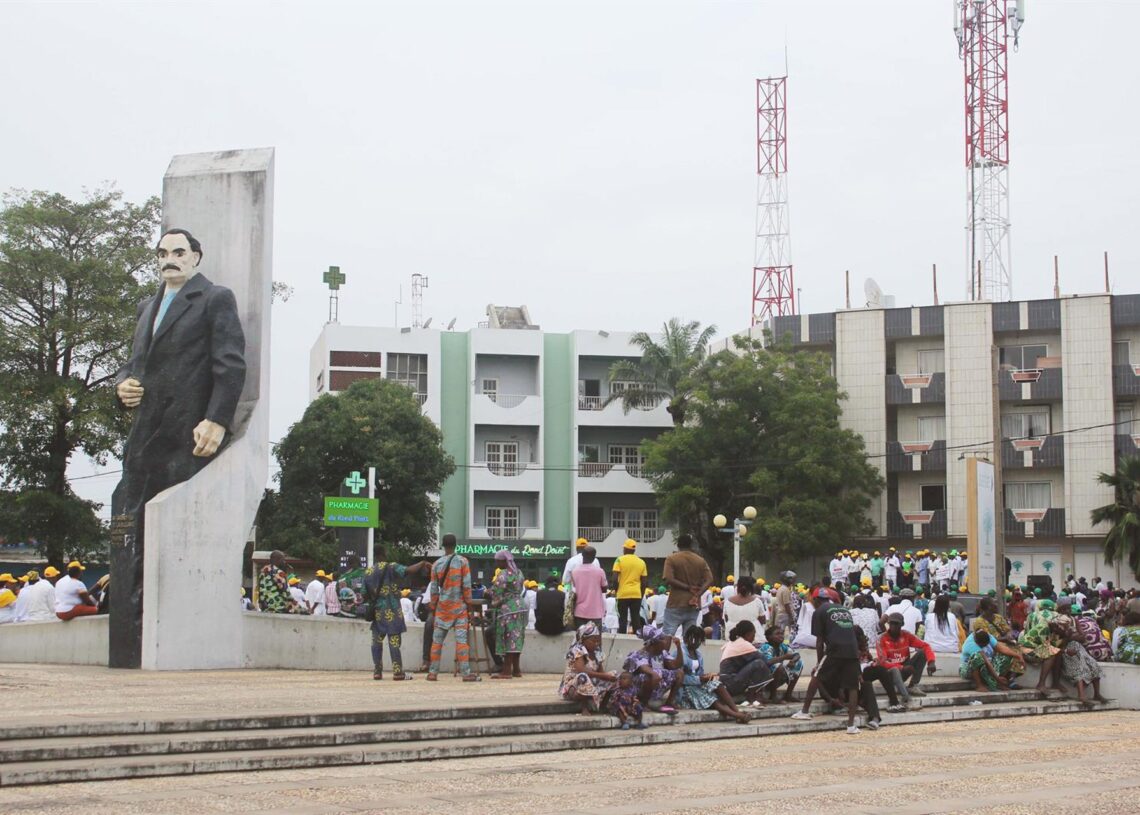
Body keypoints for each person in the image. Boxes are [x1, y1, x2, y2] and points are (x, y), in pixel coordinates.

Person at [110, 229, 246, 665]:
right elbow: (135, 364)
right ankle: (130, 629)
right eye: (163, 253)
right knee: (129, 524)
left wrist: (218, 419)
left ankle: (173, 634)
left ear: (196, 257)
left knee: (172, 529)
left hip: (188, 433)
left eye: (179, 252)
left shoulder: (214, 299)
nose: (170, 259)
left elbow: (230, 362)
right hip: (143, 436)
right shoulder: (145, 307)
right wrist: (122, 385)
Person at [791, 589, 862, 734]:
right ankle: (851, 725)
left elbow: (819, 641)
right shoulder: (844, 609)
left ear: (816, 600)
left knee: (816, 676)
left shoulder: (819, 611)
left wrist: (819, 662)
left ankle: (804, 711)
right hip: (852, 650)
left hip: (835, 649)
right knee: (853, 686)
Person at [363, 551, 432, 680]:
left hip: (377, 613)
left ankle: (377, 671)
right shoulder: (391, 567)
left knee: (376, 642)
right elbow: (409, 570)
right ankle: (397, 672)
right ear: (384, 556)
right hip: (392, 611)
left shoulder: (368, 572)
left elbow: (363, 594)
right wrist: (422, 563)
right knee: (394, 642)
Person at [426, 533, 478, 682]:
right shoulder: (463, 562)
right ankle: (466, 673)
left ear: (443, 546)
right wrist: (469, 605)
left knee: (437, 642)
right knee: (461, 641)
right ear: (456, 545)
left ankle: (433, 672)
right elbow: (467, 586)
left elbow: (434, 590)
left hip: (442, 609)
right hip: (460, 609)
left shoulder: (436, 565)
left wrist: (434, 606)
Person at [677, 626, 752, 723]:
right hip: (687, 689)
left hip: (698, 684)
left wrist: (707, 677)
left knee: (718, 685)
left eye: (699, 640)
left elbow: (700, 673)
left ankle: (736, 711)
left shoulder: (698, 654)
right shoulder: (680, 654)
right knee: (711, 699)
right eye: (694, 639)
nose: (696, 642)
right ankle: (738, 715)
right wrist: (699, 679)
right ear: (686, 638)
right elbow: (680, 677)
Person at [877, 612, 936, 705]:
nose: (893, 626)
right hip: (889, 674)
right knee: (895, 669)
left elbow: (926, 646)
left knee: (922, 653)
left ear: (902, 625)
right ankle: (905, 697)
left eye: (896, 624)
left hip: (905, 669)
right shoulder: (882, 639)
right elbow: (882, 662)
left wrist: (931, 661)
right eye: (891, 623)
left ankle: (913, 685)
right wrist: (902, 668)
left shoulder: (906, 635)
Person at [659, 534, 712, 638]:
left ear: (678, 545)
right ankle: (687, 654)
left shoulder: (671, 559)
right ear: (691, 545)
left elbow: (669, 579)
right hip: (693, 604)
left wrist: (687, 587)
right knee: (689, 638)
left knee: (667, 637)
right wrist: (698, 593)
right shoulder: (700, 560)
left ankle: (664, 654)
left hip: (675, 603)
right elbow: (710, 579)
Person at [623, 623, 684, 712]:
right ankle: (644, 703)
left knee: (679, 673)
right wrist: (655, 673)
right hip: (639, 689)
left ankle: (669, 702)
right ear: (654, 643)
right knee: (650, 675)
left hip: (656, 684)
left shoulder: (662, 653)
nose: (666, 641)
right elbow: (644, 668)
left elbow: (676, 665)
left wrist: (678, 647)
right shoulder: (638, 654)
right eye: (662, 639)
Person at [559, 622, 618, 713]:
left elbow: (601, 672)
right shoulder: (577, 650)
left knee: (615, 675)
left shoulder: (597, 653)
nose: (596, 643)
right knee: (583, 676)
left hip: (591, 683)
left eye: (598, 640)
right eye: (593, 641)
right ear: (583, 639)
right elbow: (581, 670)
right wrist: (604, 676)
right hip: (573, 686)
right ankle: (584, 706)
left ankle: (604, 705)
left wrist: (608, 677)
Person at [489, 549, 527, 679]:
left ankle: (506, 671)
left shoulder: (503, 574)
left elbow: (496, 593)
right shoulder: (519, 573)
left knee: (508, 638)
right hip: (520, 607)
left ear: (503, 561)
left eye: (497, 561)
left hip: (508, 610)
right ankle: (516, 669)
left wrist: (489, 595)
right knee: (516, 638)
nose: (496, 563)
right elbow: (520, 588)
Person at [718, 620, 774, 707]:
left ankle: (754, 695)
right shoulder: (744, 644)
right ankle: (751, 697)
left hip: (727, 682)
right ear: (748, 634)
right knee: (759, 663)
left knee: (755, 663)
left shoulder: (733, 642)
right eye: (753, 634)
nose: (754, 638)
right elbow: (767, 661)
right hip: (731, 684)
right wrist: (786, 657)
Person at [971, 597, 1026, 682]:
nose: (996, 606)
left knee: (1017, 646)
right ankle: (1007, 677)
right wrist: (1005, 639)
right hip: (990, 645)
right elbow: (986, 638)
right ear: (989, 607)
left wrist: (1009, 636)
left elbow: (1007, 630)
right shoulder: (979, 621)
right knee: (1011, 650)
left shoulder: (998, 617)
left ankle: (1012, 676)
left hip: (1003, 642)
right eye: (994, 604)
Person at [1018, 598, 1064, 693]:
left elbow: (1026, 631)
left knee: (1056, 652)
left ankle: (1055, 683)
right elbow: (1048, 646)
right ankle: (1042, 684)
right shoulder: (1053, 619)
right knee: (1052, 653)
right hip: (1029, 650)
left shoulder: (1032, 615)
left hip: (1032, 647)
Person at [611, 539, 648, 634]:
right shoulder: (641, 562)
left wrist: (616, 590)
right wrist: (641, 594)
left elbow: (615, 579)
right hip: (636, 594)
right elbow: (644, 582)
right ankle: (638, 639)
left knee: (622, 619)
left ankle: (622, 639)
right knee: (636, 618)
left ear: (625, 549)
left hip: (622, 594)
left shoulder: (619, 560)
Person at [758, 624, 802, 703]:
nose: (781, 636)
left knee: (799, 663)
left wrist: (793, 661)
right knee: (778, 666)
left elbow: (796, 654)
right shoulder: (766, 647)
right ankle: (773, 696)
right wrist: (784, 657)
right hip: (763, 681)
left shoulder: (782, 646)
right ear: (769, 637)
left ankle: (788, 695)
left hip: (775, 678)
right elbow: (768, 662)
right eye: (777, 634)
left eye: (782, 633)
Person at [569, 546, 607, 628]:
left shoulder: (575, 572)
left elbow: (575, 586)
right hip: (595, 612)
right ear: (594, 557)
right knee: (595, 639)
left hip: (579, 612)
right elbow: (604, 589)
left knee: (580, 638)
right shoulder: (600, 571)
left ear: (582, 555)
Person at [772, 571, 796, 636]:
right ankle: (785, 645)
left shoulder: (781, 588)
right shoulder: (785, 590)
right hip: (785, 616)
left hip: (780, 615)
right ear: (787, 579)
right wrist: (791, 617)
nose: (793, 581)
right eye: (792, 579)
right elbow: (787, 605)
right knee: (785, 635)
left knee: (781, 634)